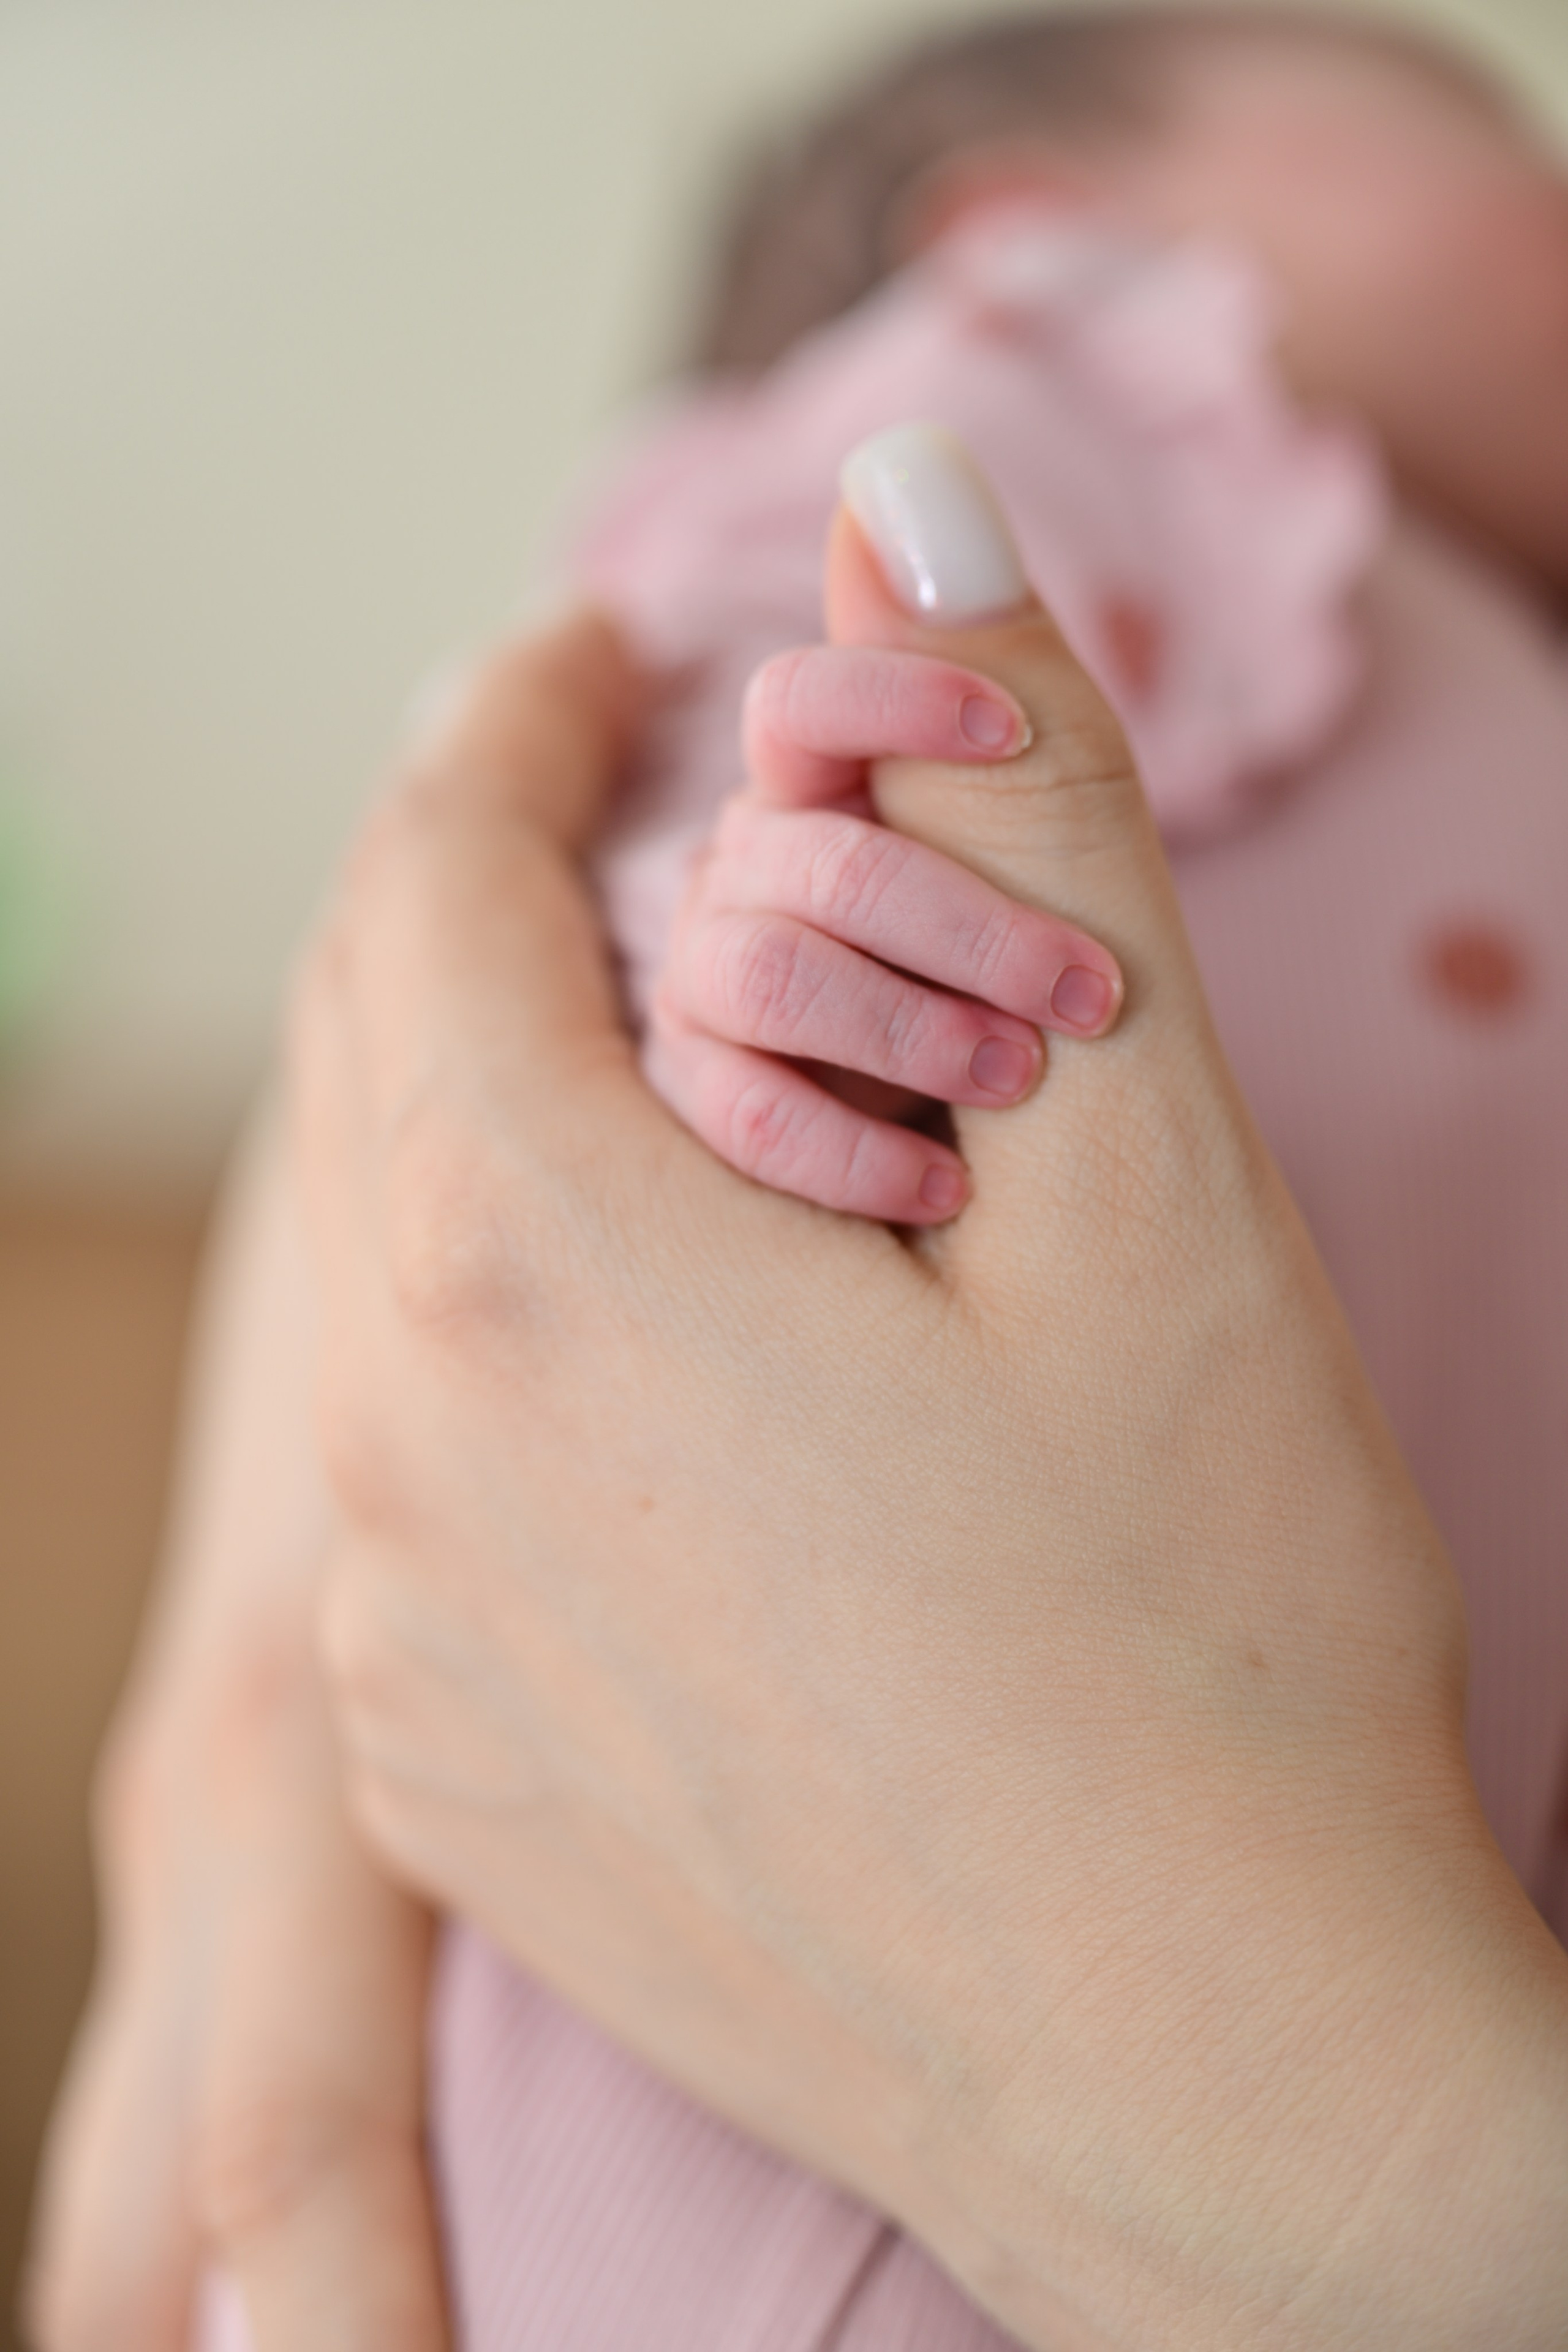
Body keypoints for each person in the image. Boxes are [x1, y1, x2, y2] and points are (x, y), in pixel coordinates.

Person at [26, 7, 1568, 2349]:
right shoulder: (1083, 400)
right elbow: (709, 713)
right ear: (1027, 220)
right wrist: (771, 930)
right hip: (695, 2060)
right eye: (1485, 126)